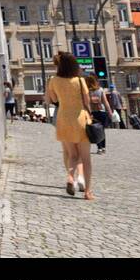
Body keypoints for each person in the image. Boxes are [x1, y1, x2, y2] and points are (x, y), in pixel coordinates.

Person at [47, 51, 95, 201]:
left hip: (63, 119)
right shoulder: (79, 81)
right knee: (85, 158)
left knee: (72, 154)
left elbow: (53, 99)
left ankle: (70, 177)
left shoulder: (54, 80)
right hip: (80, 118)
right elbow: (87, 101)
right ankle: (87, 192)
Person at [87, 76, 111, 154]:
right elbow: (105, 101)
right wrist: (109, 111)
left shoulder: (87, 91)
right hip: (102, 111)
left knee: (95, 130)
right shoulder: (100, 90)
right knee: (102, 130)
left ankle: (99, 148)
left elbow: (87, 103)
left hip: (93, 112)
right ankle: (103, 147)